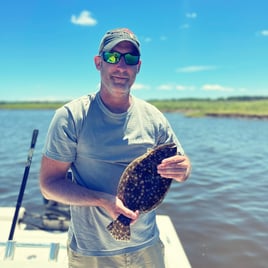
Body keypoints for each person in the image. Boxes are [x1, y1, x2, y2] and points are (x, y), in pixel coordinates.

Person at [39, 27, 191, 268]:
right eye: (112, 57)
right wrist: (102, 200)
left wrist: (183, 169)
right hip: (92, 252)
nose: (121, 66)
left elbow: (181, 162)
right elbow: (49, 186)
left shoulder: (154, 117)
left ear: (138, 67)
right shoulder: (71, 116)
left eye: (130, 59)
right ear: (98, 62)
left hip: (146, 245)